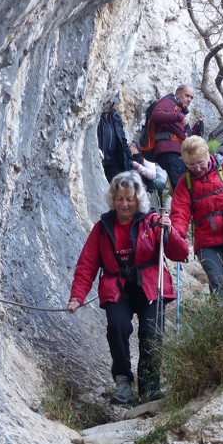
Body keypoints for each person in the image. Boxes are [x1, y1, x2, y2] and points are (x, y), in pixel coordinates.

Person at [68, 171, 188, 406]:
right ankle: (123, 382)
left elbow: (180, 253)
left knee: (151, 332)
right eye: (120, 199)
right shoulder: (102, 228)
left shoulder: (152, 221)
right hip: (117, 287)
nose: (124, 204)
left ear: (138, 199)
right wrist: (77, 297)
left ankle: (150, 385)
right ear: (113, 199)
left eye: (129, 199)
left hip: (151, 286)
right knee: (117, 327)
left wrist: (170, 231)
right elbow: (87, 264)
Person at [170, 136, 223, 296]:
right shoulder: (185, 183)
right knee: (218, 284)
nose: (197, 168)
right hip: (206, 239)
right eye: (191, 164)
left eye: (200, 162)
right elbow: (179, 212)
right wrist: (177, 235)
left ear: (208, 155)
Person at [149, 84, 204, 191]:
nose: (189, 100)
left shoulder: (179, 111)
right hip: (170, 151)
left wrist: (196, 128)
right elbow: (155, 115)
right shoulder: (169, 101)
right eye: (187, 96)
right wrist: (179, 116)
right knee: (182, 188)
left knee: (186, 186)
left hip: (178, 152)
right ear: (178, 93)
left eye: (191, 97)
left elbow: (185, 136)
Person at [97, 95, 133, 182]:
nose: (110, 105)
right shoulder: (97, 117)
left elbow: (122, 140)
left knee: (122, 183)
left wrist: (129, 158)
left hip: (114, 159)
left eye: (112, 103)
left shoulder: (115, 117)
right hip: (101, 159)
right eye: (109, 102)